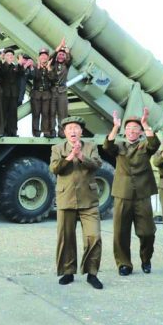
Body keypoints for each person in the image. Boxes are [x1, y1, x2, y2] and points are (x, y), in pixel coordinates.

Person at [103, 108, 159, 276]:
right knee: (121, 232)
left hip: (142, 194)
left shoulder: (144, 146)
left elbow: (154, 144)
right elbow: (107, 146)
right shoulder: (119, 146)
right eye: (129, 128)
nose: (132, 131)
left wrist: (146, 124)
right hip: (123, 193)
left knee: (148, 232)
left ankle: (146, 259)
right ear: (124, 131)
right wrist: (115, 127)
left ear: (140, 132)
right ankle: (124, 264)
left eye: (136, 128)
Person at [49, 116, 103, 289]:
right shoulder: (57, 148)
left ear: (81, 131)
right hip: (66, 197)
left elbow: (96, 164)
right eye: (69, 128)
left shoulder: (91, 146)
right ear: (64, 132)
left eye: (76, 128)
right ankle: (67, 271)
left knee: (93, 236)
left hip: (89, 198)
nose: (73, 131)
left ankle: (92, 273)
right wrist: (70, 156)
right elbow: (54, 168)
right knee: (66, 237)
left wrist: (80, 156)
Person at [49, 42, 71, 138]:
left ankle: (62, 132)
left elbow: (70, 59)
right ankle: (52, 131)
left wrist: (67, 52)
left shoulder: (66, 65)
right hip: (53, 90)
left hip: (62, 91)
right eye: (59, 54)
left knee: (63, 113)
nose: (61, 56)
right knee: (52, 112)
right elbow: (51, 57)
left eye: (63, 55)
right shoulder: (53, 64)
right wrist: (59, 47)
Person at [30, 48, 52, 137]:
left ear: (48, 57)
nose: (43, 57)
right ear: (39, 58)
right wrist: (38, 68)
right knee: (36, 114)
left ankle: (45, 131)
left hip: (46, 94)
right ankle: (36, 132)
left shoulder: (50, 67)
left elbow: (53, 79)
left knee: (45, 114)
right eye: (41, 56)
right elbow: (34, 77)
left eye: (45, 56)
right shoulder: (35, 67)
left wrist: (49, 69)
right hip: (36, 93)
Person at [0, 48, 21, 137]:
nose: (10, 57)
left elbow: (21, 73)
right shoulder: (2, 66)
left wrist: (20, 64)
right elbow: (2, 73)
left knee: (13, 114)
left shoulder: (15, 67)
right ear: (4, 57)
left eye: (11, 56)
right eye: (8, 55)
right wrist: (5, 62)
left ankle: (13, 132)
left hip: (14, 94)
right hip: (4, 93)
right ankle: (4, 131)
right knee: (4, 113)